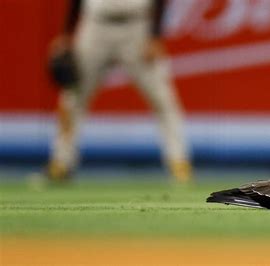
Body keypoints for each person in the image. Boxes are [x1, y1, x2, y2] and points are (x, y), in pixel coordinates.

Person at [47, 0, 192, 182]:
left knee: (163, 99)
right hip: (95, 26)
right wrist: (67, 33)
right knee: (72, 98)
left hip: (137, 27)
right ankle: (60, 162)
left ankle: (179, 163)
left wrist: (155, 36)